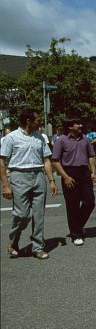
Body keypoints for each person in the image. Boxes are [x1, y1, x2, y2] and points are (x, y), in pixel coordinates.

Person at [1, 109, 58, 260]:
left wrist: (51, 180)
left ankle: (38, 247)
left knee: (38, 215)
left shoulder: (40, 138)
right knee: (22, 214)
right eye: (38, 120)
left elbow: (46, 160)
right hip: (19, 176)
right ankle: (13, 242)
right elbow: (1, 160)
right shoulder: (11, 138)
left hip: (38, 176)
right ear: (28, 121)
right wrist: (5, 185)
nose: (40, 123)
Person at [51, 118, 96, 246]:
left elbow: (91, 156)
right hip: (69, 173)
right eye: (77, 124)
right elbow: (55, 161)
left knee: (89, 202)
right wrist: (65, 177)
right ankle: (76, 234)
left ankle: (77, 226)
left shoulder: (85, 139)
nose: (81, 125)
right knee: (73, 205)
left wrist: (93, 172)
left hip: (84, 172)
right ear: (70, 127)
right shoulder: (61, 140)